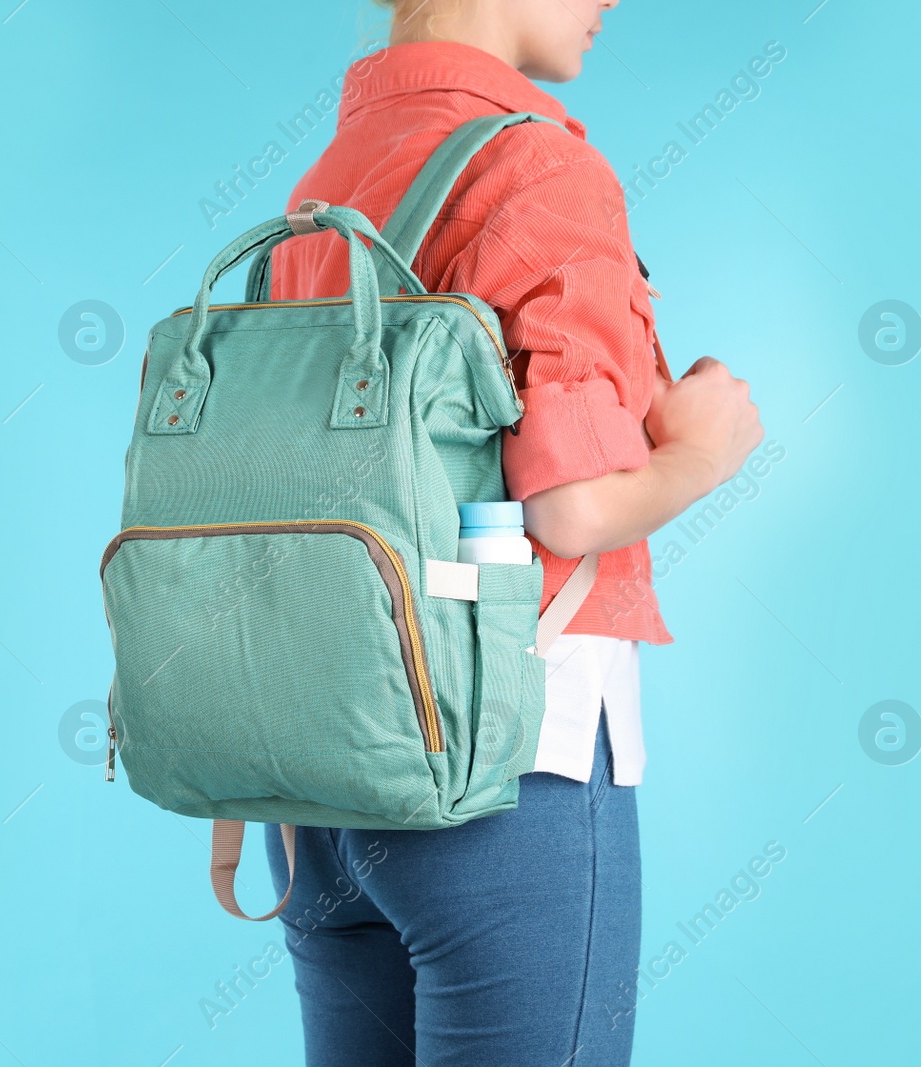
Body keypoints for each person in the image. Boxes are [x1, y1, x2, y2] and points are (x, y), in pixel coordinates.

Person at [261, 1, 765, 1063]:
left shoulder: (328, 180)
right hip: (504, 767)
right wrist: (703, 450)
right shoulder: (537, 170)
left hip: (311, 789)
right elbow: (570, 507)